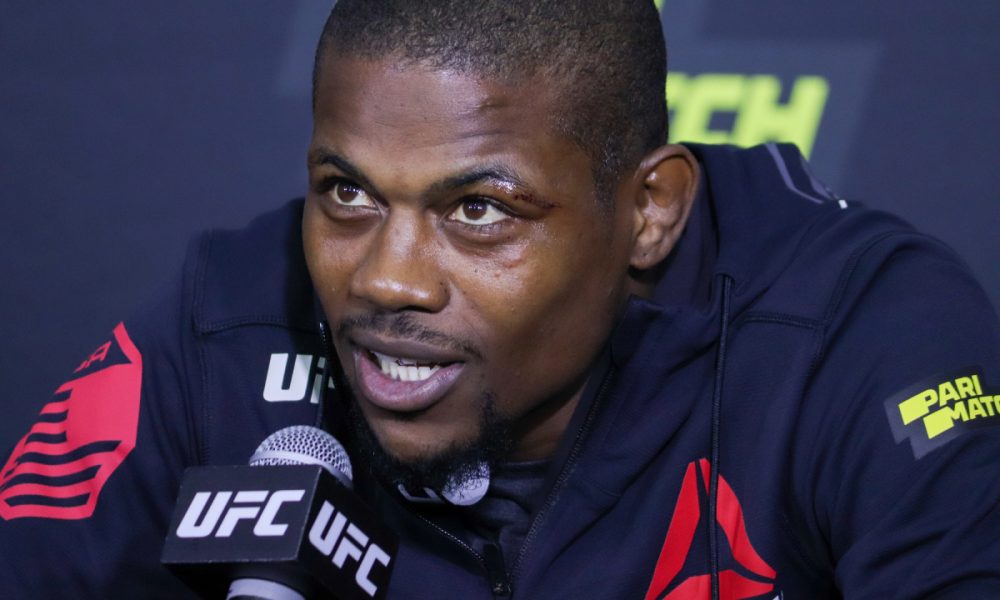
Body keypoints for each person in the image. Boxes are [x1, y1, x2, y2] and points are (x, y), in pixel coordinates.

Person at [2, 1, 999, 598]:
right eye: (347, 193)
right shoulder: (231, 319)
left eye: (477, 211)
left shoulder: (858, 336)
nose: (386, 279)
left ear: (650, 210)